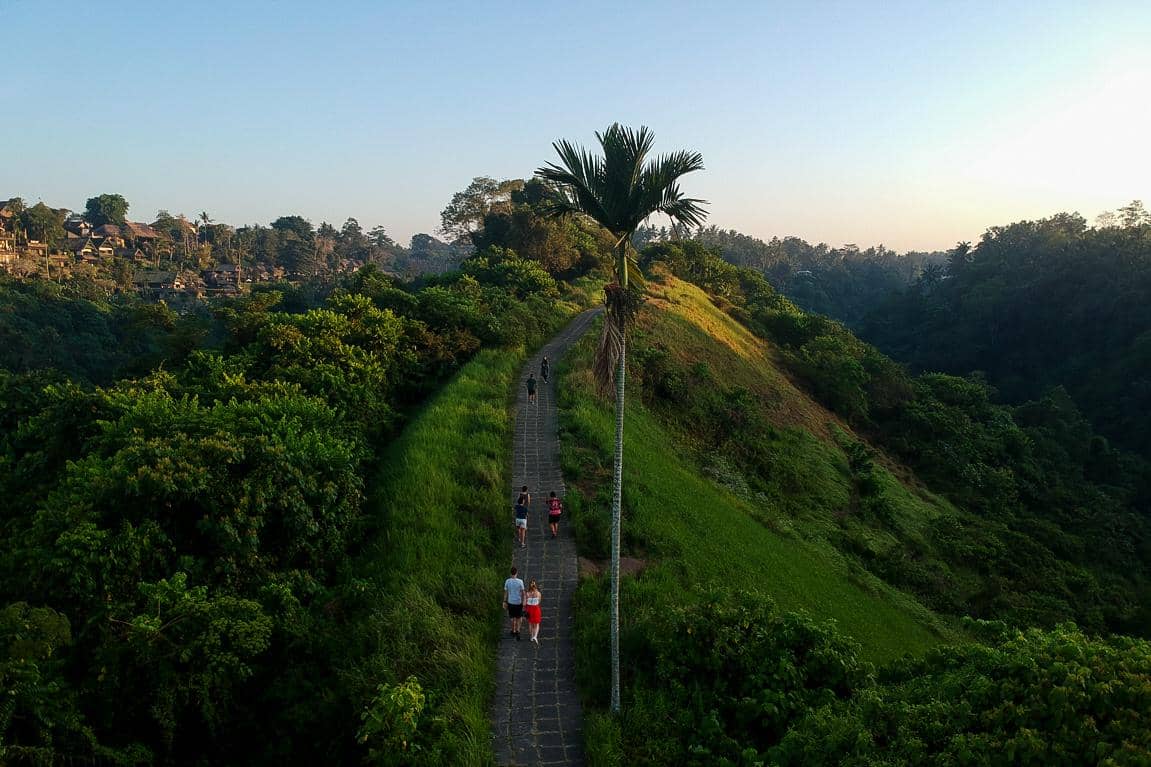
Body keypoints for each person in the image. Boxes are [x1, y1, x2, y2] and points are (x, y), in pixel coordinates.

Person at [503, 567, 526, 641]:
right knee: (519, 617)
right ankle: (518, 631)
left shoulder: (507, 581)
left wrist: (504, 601)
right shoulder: (520, 582)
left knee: (512, 618)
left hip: (511, 602)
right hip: (518, 602)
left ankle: (513, 630)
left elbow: (506, 593)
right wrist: (523, 601)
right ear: (516, 573)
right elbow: (523, 593)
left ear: (510, 573)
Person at [524, 579, 543, 644]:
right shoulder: (538, 593)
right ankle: (535, 636)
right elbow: (539, 601)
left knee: (530, 623)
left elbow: (524, 603)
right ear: (535, 585)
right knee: (536, 624)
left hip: (529, 609)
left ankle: (531, 637)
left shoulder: (527, 593)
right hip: (536, 609)